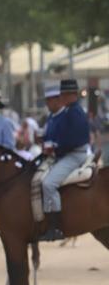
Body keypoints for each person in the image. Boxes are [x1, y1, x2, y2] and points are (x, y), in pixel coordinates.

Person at [40, 78, 91, 242]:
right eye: (62, 94)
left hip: (75, 154)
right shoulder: (69, 111)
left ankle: (56, 227)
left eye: (64, 94)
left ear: (73, 95)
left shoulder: (75, 112)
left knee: (48, 184)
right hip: (67, 153)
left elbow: (75, 140)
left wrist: (55, 147)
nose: (61, 97)